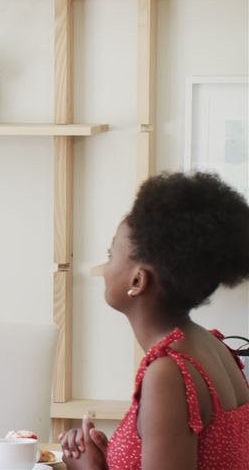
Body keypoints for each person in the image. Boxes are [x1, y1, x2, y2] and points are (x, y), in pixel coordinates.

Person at [60, 172, 249, 469]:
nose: (104, 269)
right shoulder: (214, 345)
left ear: (137, 280)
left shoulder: (169, 372)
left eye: (111, 255)